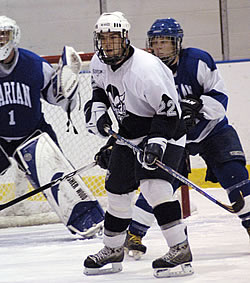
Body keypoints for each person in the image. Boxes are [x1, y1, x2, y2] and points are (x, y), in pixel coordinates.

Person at [119, 17, 250, 259]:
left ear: (177, 43)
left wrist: (198, 105)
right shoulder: (145, 69)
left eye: (165, 43)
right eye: (155, 43)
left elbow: (220, 99)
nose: (159, 48)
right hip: (174, 138)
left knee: (236, 175)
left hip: (212, 130)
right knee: (157, 184)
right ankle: (134, 233)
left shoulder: (197, 60)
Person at [83, 11, 194, 278]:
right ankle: (112, 249)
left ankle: (180, 250)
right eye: (103, 37)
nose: (108, 43)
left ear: (125, 38)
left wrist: (156, 143)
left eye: (113, 37)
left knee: (154, 187)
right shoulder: (99, 61)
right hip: (131, 131)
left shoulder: (146, 69)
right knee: (117, 190)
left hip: (167, 131)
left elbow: (169, 112)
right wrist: (98, 112)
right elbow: (99, 88)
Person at [0, 15, 104, 238]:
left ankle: (88, 220)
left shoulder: (34, 64)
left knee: (59, 178)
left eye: (4, 34)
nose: (0, 40)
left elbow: (57, 98)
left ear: (13, 36)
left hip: (32, 134)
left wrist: (68, 87)